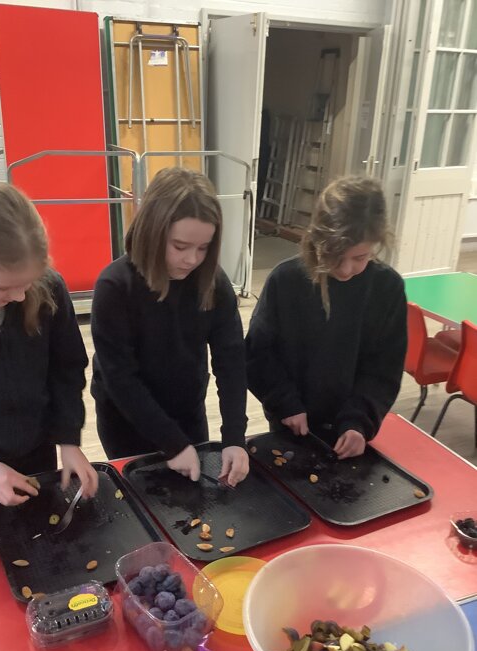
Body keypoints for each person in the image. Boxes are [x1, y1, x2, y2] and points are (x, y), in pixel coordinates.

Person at [0, 183, 98, 505]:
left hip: (37, 448)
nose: (20, 296)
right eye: (2, 286)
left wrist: (68, 439)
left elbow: (66, 370)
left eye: (27, 282)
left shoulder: (49, 289)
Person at [91, 167, 249, 486]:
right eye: (180, 246)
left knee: (192, 498)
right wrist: (172, 443)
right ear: (153, 232)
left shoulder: (213, 283)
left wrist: (235, 437)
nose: (192, 259)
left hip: (187, 410)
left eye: (203, 248)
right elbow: (120, 378)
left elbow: (231, 361)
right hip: (127, 420)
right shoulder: (114, 286)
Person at [246, 175, 407, 459]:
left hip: (351, 430)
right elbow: (258, 354)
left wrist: (359, 421)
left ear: (376, 245)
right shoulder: (286, 280)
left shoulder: (387, 288)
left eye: (360, 257)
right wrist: (285, 403)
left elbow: (384, 369)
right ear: (317, 237)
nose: (345, 270)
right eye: (334, 255)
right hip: (290, 423)